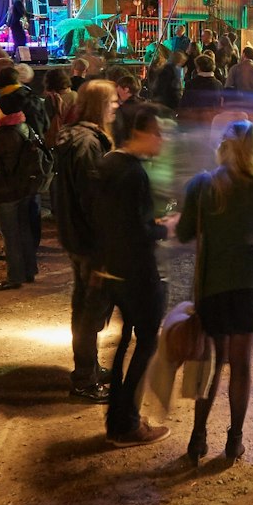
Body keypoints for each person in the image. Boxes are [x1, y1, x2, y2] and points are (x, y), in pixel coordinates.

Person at [174, 120, 253, 462]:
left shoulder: (202, 185)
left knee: (209, 362)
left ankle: (197, 438)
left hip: (212, 285)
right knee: (241, 366)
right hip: (249, 285)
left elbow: (184, 233)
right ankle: (234, 441)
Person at [93, 102, 173, 445]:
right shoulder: (134, 173)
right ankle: (127, 423)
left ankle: (118, 419)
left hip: (113, 270)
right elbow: (137, 231)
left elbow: (108, 220)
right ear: (139, 133)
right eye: (157, 133)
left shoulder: (108, 163)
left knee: (125, 344)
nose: (161, 140)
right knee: (145, 344)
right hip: (138, 272)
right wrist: (166, 228)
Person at [53, 80, 118, 401]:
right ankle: (84, 379)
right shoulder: (89, 144)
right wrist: (105, 239)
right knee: (90, 309)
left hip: (75, 235)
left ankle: (88, 367)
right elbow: (93, 198)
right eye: (112, 101)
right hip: (90, 239)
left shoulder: (73, 137)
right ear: (99, 105)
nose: (116, 105)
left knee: (85, 305)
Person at [0, 68, 50, 290]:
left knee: (10, 235)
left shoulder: (5, 134)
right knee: (24, 230)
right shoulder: (25, 126)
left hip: (7, 188)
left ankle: (15, 276)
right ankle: (29, 270)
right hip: (24, 185)